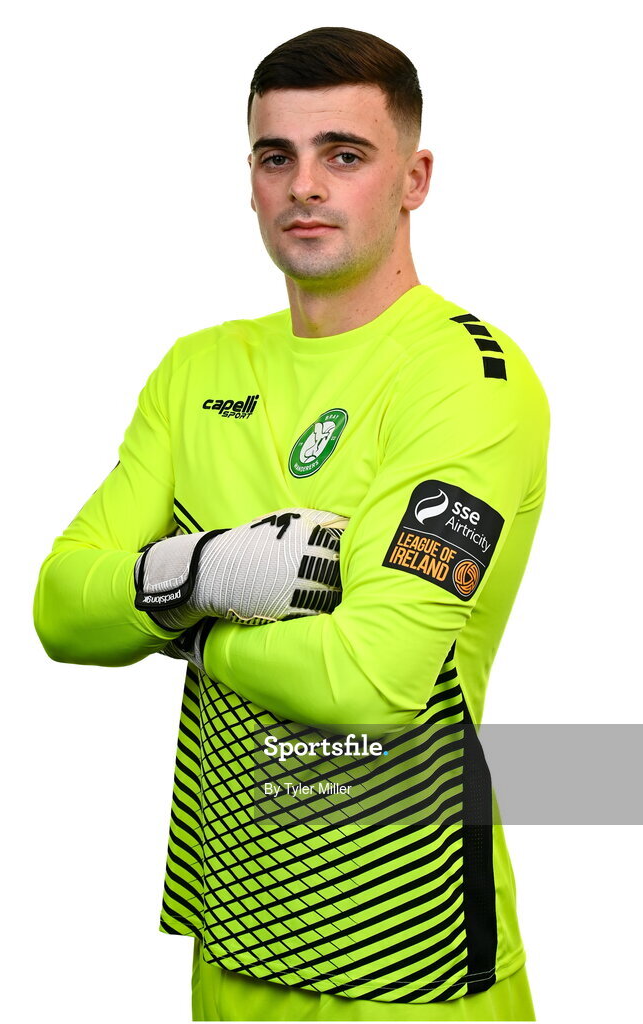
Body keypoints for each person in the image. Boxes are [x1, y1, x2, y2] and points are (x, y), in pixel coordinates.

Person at [33, 25, 548, 1023]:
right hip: (235, 942)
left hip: (412, 958)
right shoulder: (199, 368)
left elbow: (369, 679)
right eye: (277, 156)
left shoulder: (469, 380)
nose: (303, 184)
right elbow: (59, 607)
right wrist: (218, 568)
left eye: (342, 155)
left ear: (414, 177)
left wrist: (180, 607)